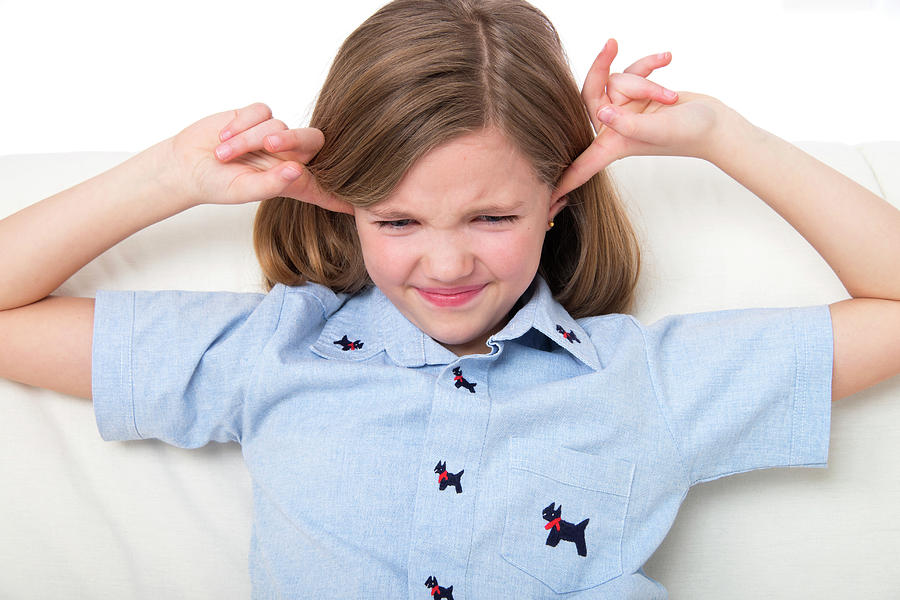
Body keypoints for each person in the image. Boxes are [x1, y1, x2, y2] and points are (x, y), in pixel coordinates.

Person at [1, 0, 898, 597]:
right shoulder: (267, 353)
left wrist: (721, 136)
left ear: (558, 202)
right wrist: (166, 177)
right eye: (396, 221)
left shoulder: (648, 381)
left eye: (492, 214)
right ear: (345, 210)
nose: (445, 262)